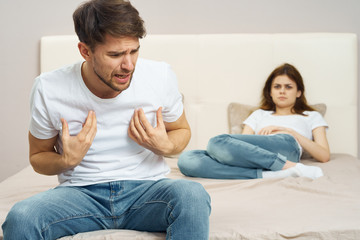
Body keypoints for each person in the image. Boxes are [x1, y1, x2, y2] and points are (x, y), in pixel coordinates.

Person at [2, 0, 211, 239]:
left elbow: (181, 129)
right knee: (22, 216)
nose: (129, 65)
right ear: (85, 51)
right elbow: (38, 157)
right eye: (115, 54)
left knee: (192, 195)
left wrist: (167, 146)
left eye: (134, 50)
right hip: (81, 196)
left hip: (148, 192)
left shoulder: (160, 76)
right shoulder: (48, 88)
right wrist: (65, 160)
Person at [178, 63, 330, 180]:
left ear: (298, 92)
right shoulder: (258, 115)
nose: (282, 91)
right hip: (255, 155)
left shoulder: (311, 116)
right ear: (270, 92)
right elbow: (241, 145)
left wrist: (290, 132)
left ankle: (290, 165)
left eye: (288, 87)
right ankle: (270, 174)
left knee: (215, 142)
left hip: (286, 145)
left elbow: (324, 155)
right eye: (277, 87)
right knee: (187, 160)